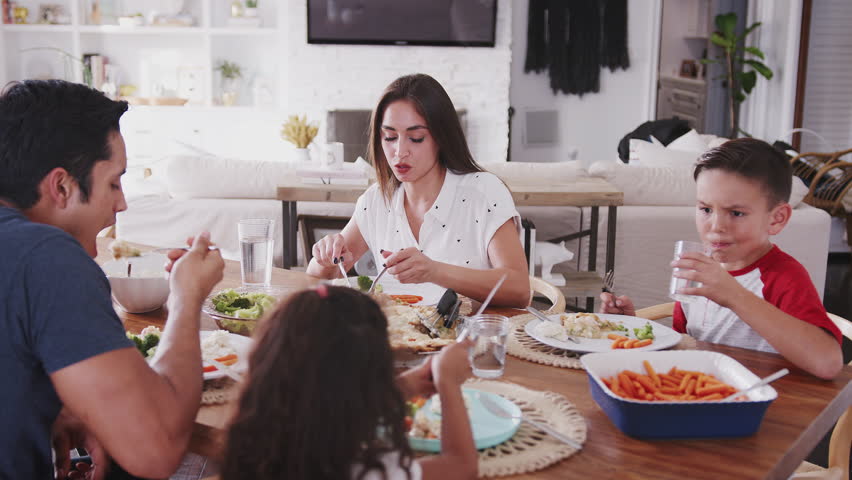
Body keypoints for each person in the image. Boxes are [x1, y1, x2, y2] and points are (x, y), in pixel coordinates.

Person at [0, 79, 225, 479]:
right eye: (114, 182)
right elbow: (157, 450)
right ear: (62, 186)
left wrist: (53, 409)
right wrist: (187, 296)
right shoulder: (47, 258)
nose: (121, 202)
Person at [600, 138, 843, 379]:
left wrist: (733, 295)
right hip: (700, 395)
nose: (716, 226)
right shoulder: (699, 273)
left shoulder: (783, 277)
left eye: (736, 213)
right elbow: (682, 348)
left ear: (776, 218)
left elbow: (828, 363)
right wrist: (629, 328)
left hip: (760, 406)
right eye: (706, 209)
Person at [306, 73, 530, 307]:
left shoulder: (484, 192)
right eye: (390, 137)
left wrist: (434, 271)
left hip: (468, 339)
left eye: (416, 138)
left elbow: (519, 289)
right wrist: (325, 258)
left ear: (441, 138)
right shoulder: (376, 200)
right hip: (398, 337)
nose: (400, 151)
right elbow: (315, 277)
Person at [222, 285, 478, 480]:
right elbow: (461, 465)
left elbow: (329, 396)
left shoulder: (256, 439)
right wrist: (449, 383)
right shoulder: (363, 469)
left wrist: (402, 388)